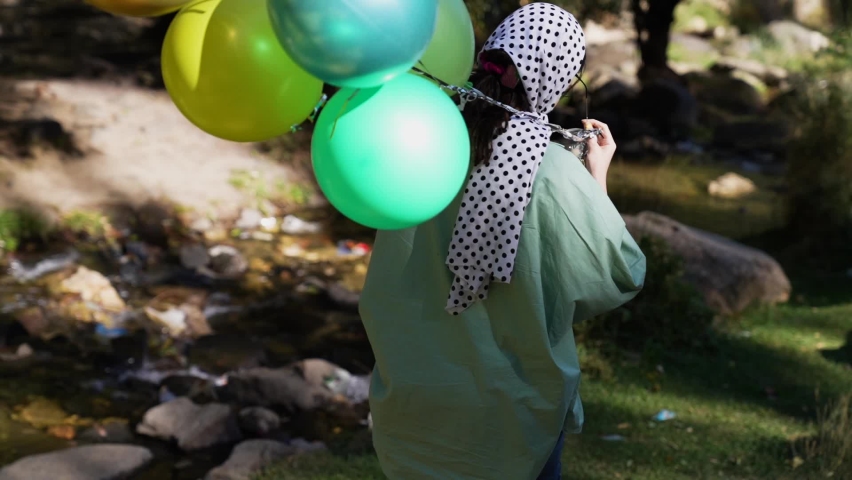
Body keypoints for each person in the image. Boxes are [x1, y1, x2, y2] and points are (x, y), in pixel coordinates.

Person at [358, 3, 646, 479]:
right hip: (518, 408)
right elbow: (616, 274)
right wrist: (597, 175)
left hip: (420, 395)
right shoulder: (554, 173)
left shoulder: (421, 144)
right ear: (552, 76)